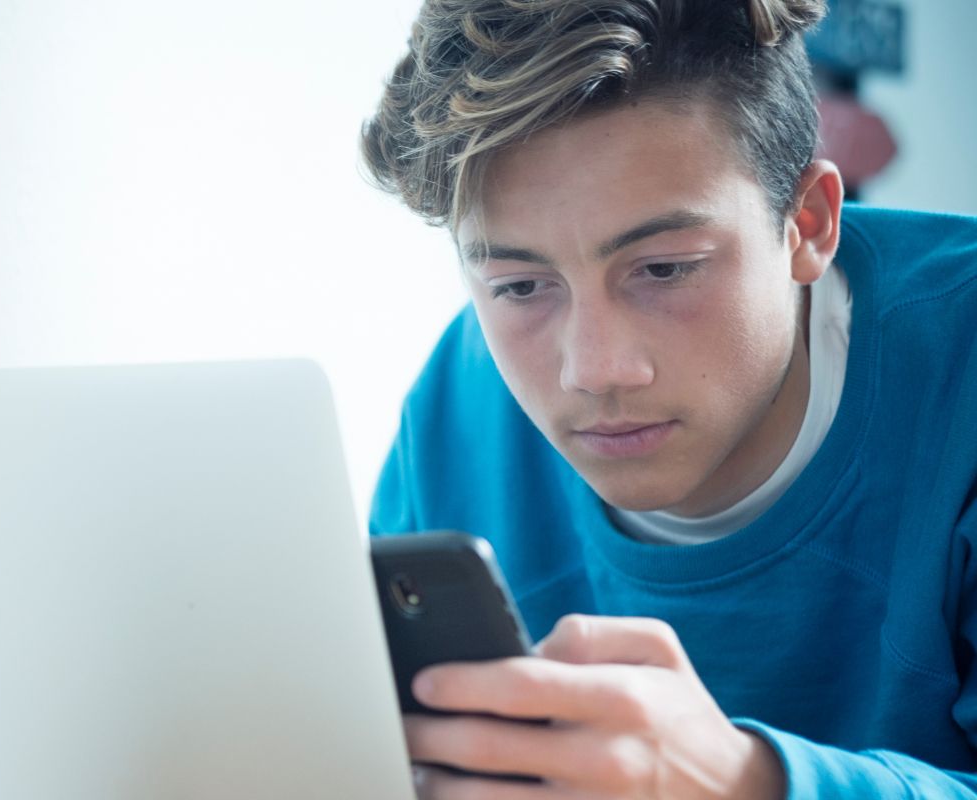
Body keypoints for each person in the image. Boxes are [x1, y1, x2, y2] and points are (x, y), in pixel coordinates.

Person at [360, 0, 977, 797]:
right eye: (520, 285)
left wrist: (745, 783)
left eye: (663, 269)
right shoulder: (458, 400)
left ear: (809, 222)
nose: (596, 369)